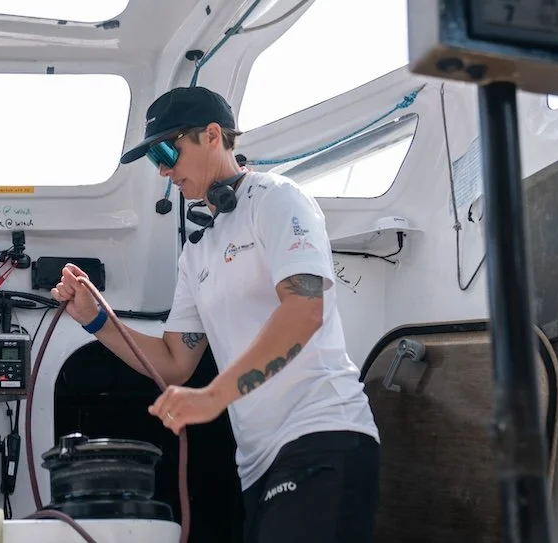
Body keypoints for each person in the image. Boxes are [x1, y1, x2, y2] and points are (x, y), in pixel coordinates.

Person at [51, 86, 380, 543]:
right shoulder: (197, 251)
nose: (164, 169)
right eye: (154, 159)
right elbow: (173, 363)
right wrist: (94, 319)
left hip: (321, 435)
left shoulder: (277, 199)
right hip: (258, 463)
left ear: (211, 135)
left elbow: (305, 311)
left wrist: (212, 397)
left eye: (168, 150)